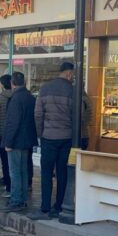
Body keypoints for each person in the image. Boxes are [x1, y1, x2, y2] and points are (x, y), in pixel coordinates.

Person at [33, 62, 75, 220]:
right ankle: (58, 206)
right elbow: (78, 116)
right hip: (66, 138)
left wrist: (40, 133)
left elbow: (38, 114)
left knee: (46, 172)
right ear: (69, 74)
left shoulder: (45, 88)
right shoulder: (72, 90)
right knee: (62, 172)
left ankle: (45, 207)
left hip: (48, 137)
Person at [2, 72, 37, 212]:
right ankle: (22, 199)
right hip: (27, 139)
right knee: (23, 171)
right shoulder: (30, 97)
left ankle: (16, 200)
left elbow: (13, 122)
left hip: (16, 141)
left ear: (12, 83)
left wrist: (8, 142)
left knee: (15, 172)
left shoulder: (15, 99)